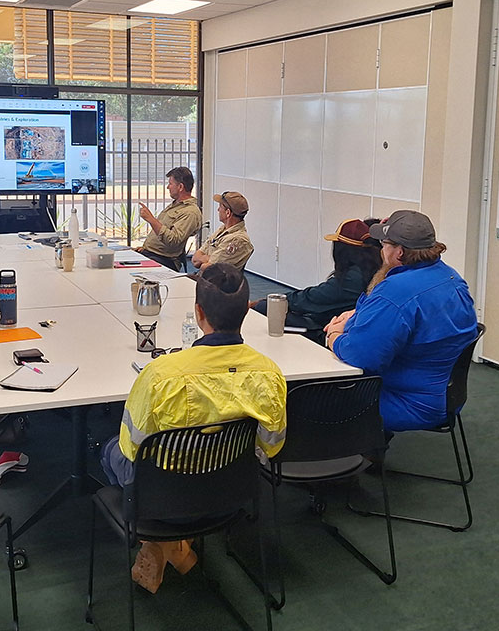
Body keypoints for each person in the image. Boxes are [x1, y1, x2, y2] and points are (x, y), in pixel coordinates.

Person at [99, 263, 287, 593]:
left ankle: (160, 542)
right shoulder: (269, 373)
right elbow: (271, 445)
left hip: (163, 503)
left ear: (198, 312)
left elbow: (133, 450)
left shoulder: (161, 374)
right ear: (246, 309)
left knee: (109, 448)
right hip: (230, 495)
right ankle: (174, 545)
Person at [324, 210, 478, 433]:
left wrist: (334, 337)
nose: (381, 250)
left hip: (406, 402)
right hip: (445, 396)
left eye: (384, 244)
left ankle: (348, 453)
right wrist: (357, 315)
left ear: (399, 252)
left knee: (307, 397)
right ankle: (371, 450)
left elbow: (362, 357)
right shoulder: (450, 277)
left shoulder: (395, 291)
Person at [251, 218, 382, 332]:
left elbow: (311, 298)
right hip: (344, 323)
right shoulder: (375, 268)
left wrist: (270, 301)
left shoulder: (352, 278)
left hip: (326, 328)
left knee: (266, 308)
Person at [136, 166, 202, 271]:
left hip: (164, 260)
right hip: (150, 254)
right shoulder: (176, 205)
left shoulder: (190, 212)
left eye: (170, 184)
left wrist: (151, 219)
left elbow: (173, 241)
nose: (168, 187)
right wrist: (146, 248)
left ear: (180, 187)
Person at [190, 191, 253, 272]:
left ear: (228, 213)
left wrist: (205, 259)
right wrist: (209, 259)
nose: (218, 209)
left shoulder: (238, 239)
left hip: (216, 283)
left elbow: (207, 268)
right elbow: (195, 258)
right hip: (204, 280)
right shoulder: (222, 229)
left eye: (220, 207)